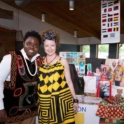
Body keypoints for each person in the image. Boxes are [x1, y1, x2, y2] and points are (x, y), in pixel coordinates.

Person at [0, 30, 42, 124]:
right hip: (11, 112)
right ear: (23, 43)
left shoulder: (39, 61)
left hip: (30, 112)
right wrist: (0, 107)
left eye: (36, 45)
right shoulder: (10, 58)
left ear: (39, 47)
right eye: (29, 43)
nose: (32, 47)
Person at [37, 29, 78, 124]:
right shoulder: (40, 61)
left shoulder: (62, 61)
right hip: (45, 104)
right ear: (43, 46)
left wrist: (75, 99)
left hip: (61, 102)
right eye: (47, 45)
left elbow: (69, 82)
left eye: (52, 45)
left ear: (56, 45)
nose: (50, 48)